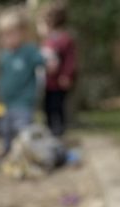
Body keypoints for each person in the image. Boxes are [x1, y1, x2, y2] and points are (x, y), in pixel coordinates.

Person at [0, 7, 48, 156]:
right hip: (8, 103)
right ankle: (7, 152)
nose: (8, 38)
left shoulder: (28, 51)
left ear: (23, 32)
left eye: (12, 33)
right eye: (5, 35)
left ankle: (27, 153)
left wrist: (49, 60)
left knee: (23, 129)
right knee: (6, 129)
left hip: (24, 101)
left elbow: (42, 61)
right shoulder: (4, 56)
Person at [39, 2, 77, 137]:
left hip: (58, 84)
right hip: (48, 83)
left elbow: (70, 60)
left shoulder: (65, 40)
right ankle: (50, 131)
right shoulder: (47, 40)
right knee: (47, 107)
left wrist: (66, 75)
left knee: (57, 107)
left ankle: (59, 131)